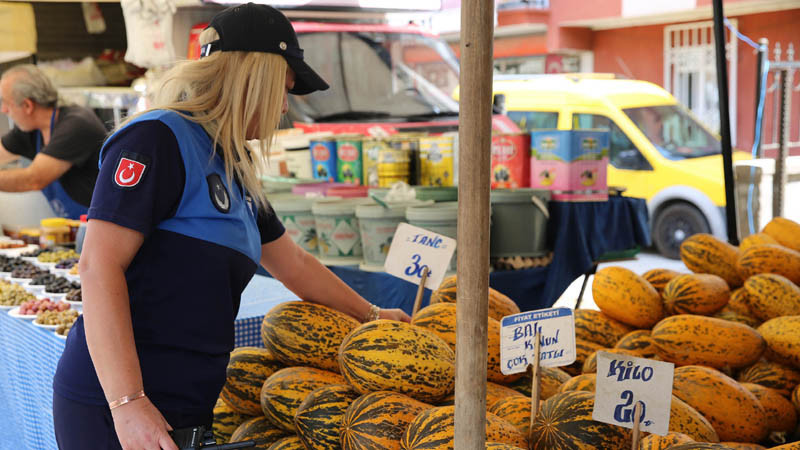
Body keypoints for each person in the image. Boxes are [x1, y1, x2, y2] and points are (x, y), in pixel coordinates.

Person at [52, 3, 410, 449]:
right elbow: (98, 266)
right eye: (282, 88)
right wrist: (128, 404)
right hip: (119, 404)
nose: (283, 107)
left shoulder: (232, 165)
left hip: (184, 400)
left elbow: (293, 262)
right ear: (251, 77)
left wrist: (373, 316)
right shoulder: (157, 139)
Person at [0, 64, 107, 218]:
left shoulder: (76, 124)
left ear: (27, 105)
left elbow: (34, 179)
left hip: (103, 227)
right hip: (75, 227)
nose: (3, 110)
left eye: (6, 104)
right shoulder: (30, 130)